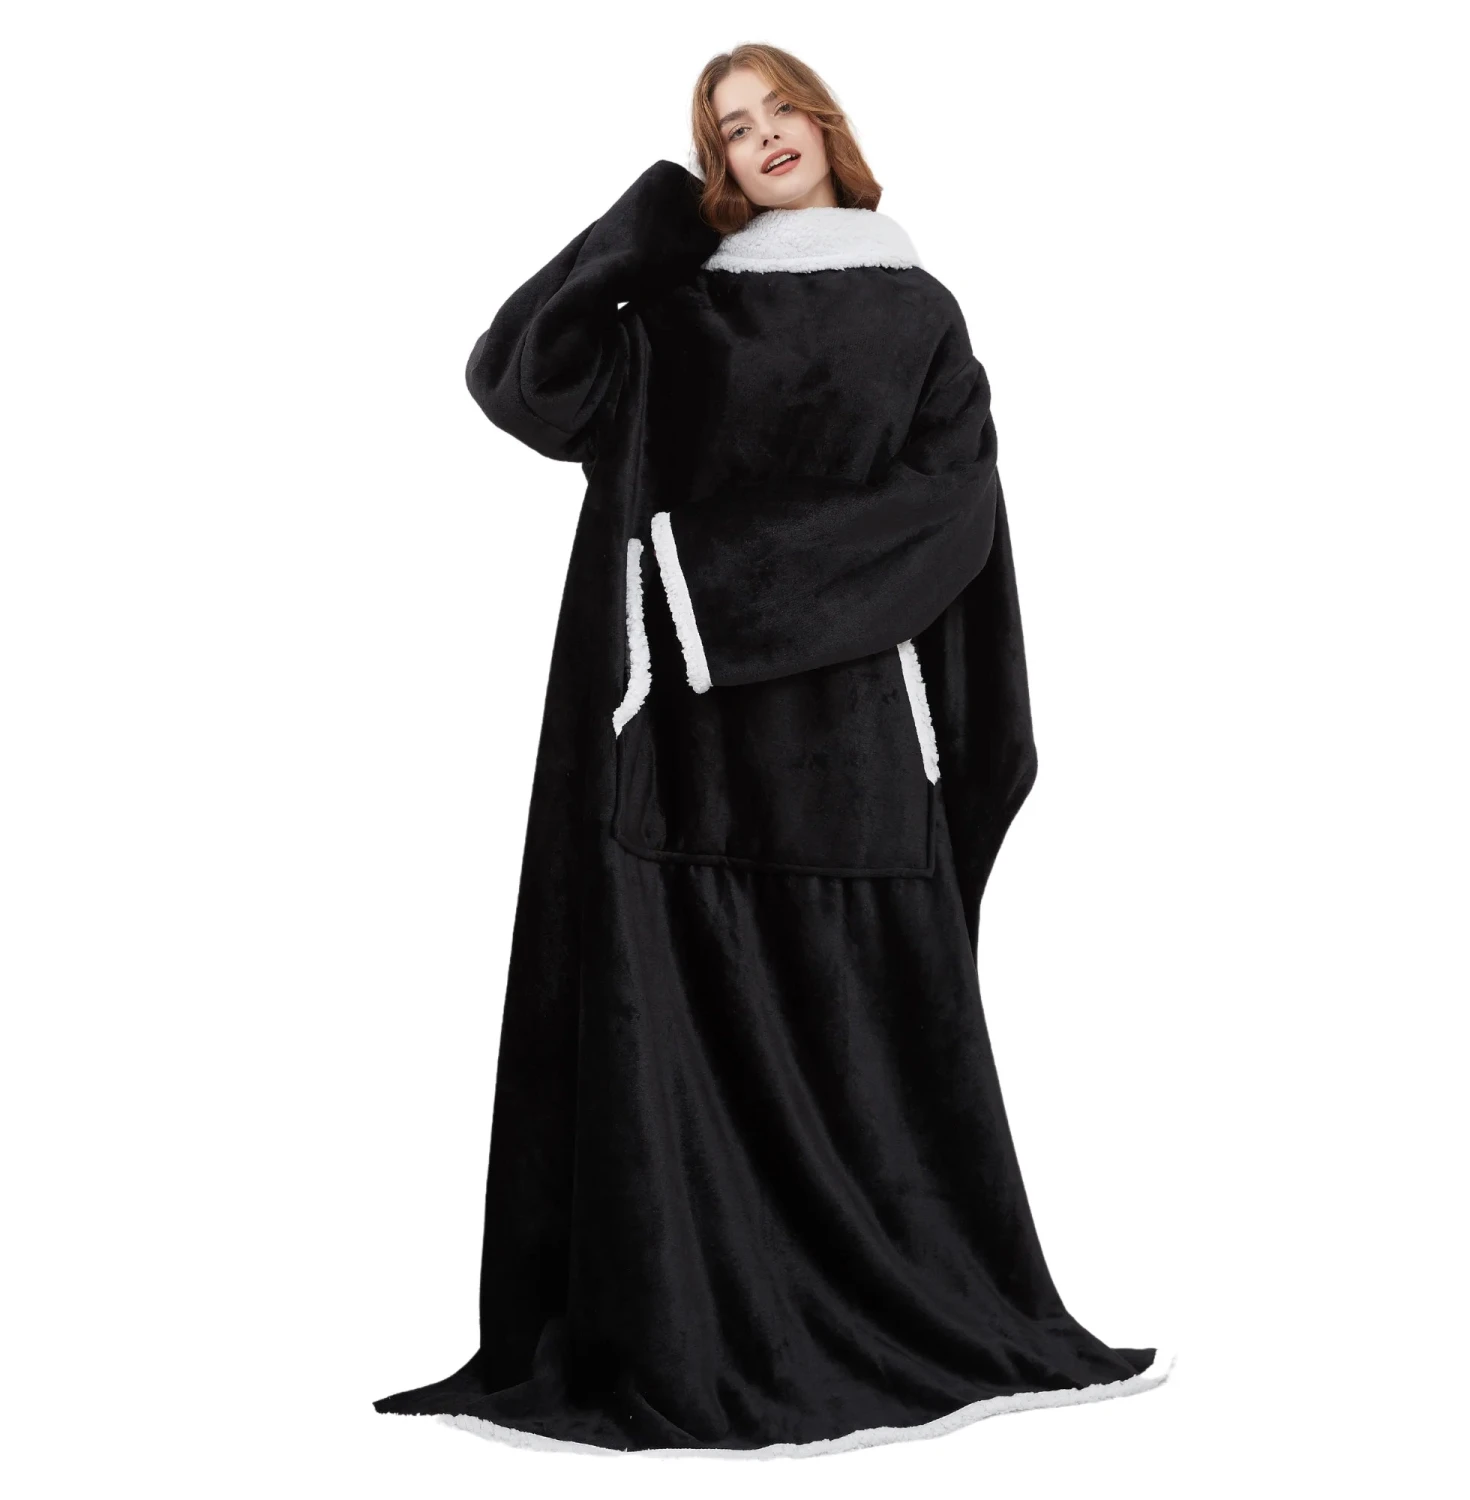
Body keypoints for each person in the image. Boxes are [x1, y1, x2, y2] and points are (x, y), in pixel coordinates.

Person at [373, 41, 1172, 1455]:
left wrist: (713, 587)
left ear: (825, 121)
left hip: (847, 743)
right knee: (681, 1033)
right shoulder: (679, 313)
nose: (764, 137)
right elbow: (515, 377)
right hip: (679, 749)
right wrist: (647, 223)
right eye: (731, 132)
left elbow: (951, 511)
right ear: (721, 170)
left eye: (778, 110)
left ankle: (900, 1305)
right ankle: (694, 1321)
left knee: (865, 1036)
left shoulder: (919, 310)